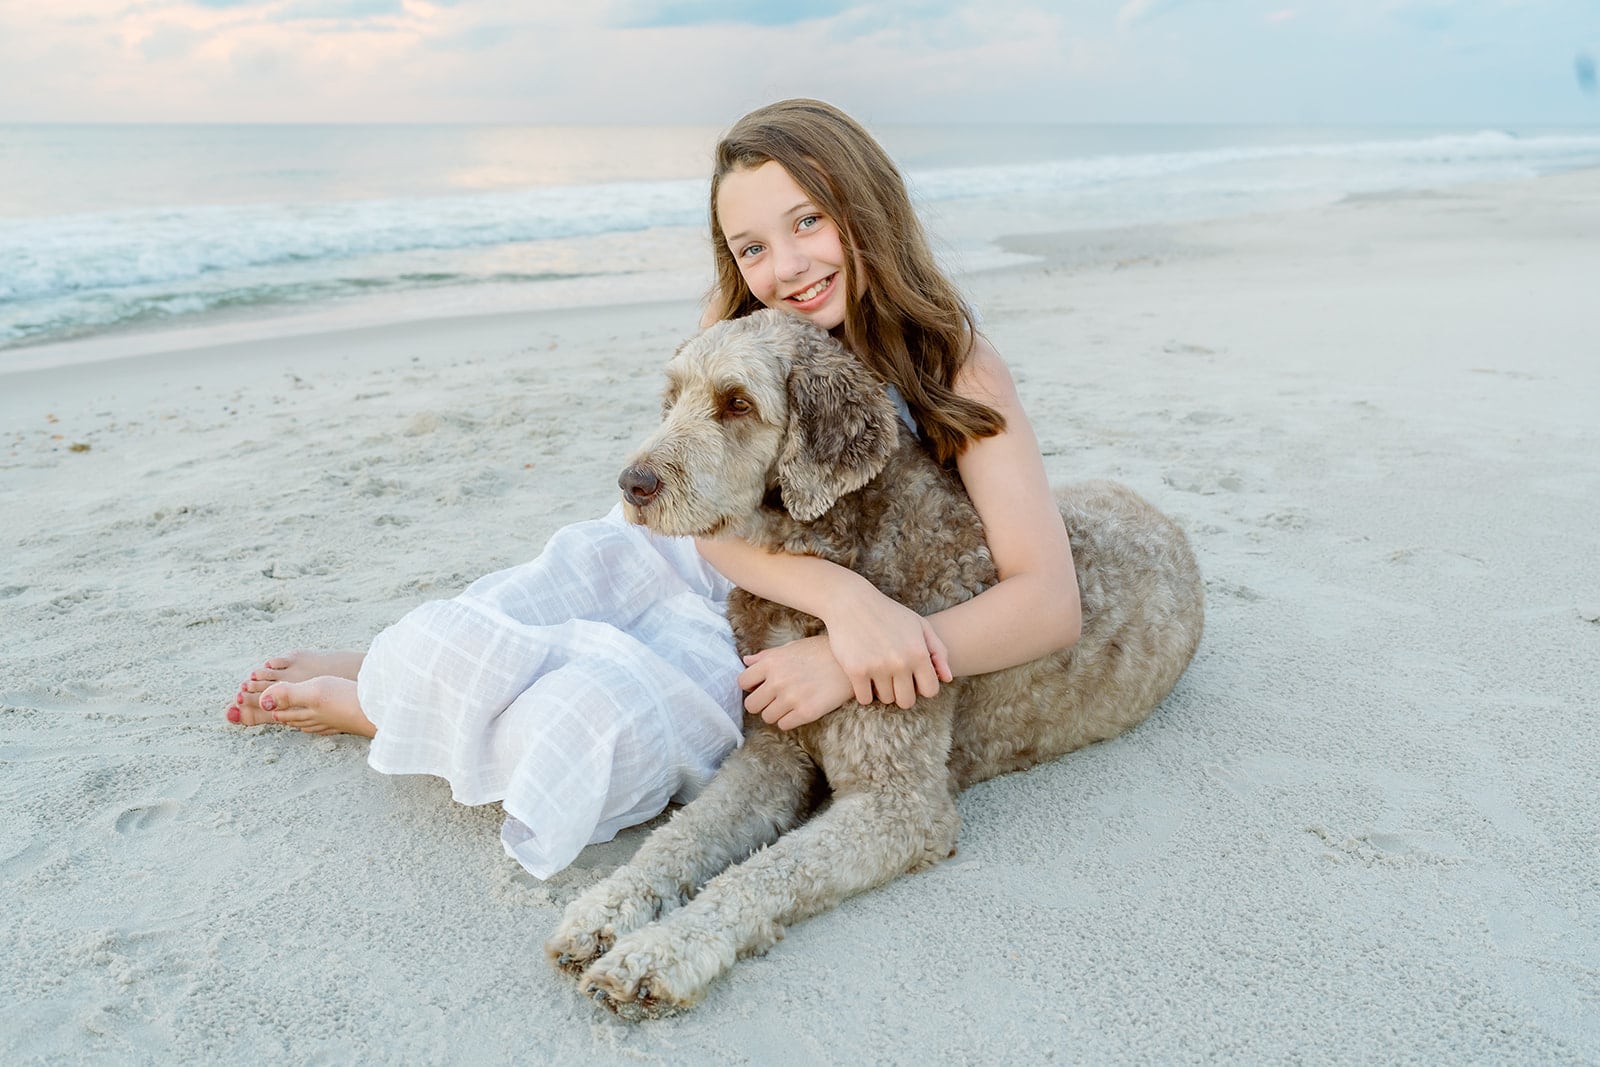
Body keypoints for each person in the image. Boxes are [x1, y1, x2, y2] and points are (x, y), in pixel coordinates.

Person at [227, 98, 1081, 878]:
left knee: (617, 721)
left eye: (808, 222)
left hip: (760, 626)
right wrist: (841, 596)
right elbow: (705, 525)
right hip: (702, 548)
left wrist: (844, 652)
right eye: (751, 248)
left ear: (869, 210)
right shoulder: (739, 335)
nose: (784, 266)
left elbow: (1048, 601)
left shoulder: (955, 368)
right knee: (544, 595)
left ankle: (385, 709)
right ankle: (390, 674)